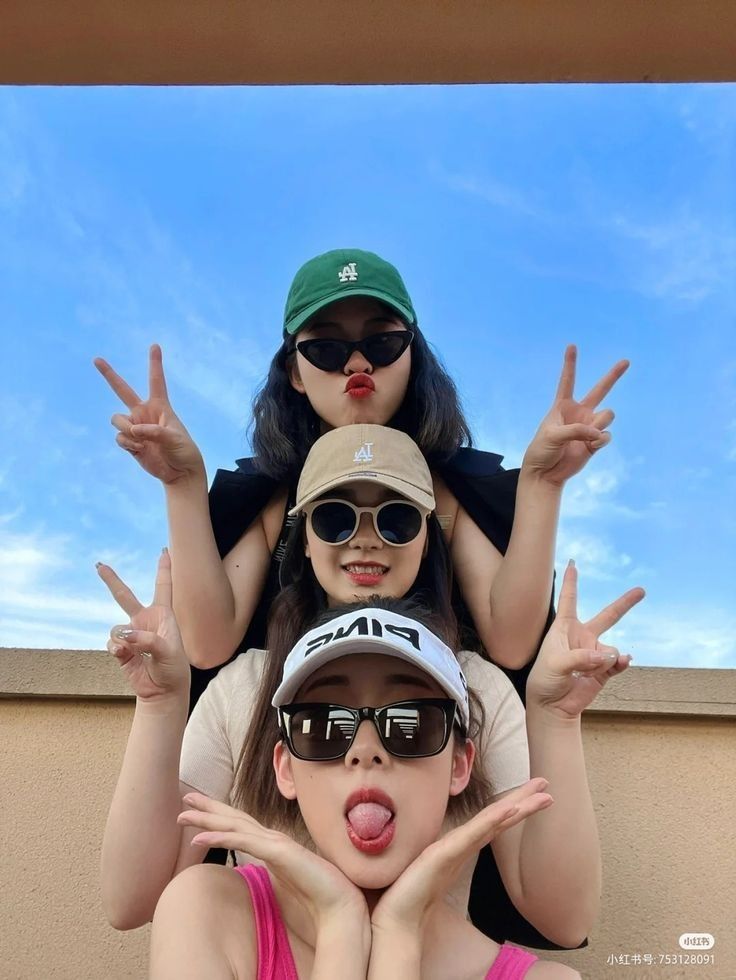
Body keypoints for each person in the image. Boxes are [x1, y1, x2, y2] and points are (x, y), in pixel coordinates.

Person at [98, 425, 644, 949]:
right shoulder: (243, 686)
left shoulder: (477, 685)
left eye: (397, 520)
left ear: (427, 539)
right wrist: (159, 703)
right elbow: (132, 901)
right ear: (303, 540)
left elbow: (563, 918)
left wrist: (557, 717)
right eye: (334, 519)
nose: (364, 540)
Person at [94, 248, 629, 706]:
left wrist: (543, 484)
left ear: (412, 359)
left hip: (428, 748)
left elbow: (513, 644)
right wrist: (181, 483)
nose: (356, 364)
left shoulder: (459, 489)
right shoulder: (265, 493)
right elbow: (208, 646)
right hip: (291, 752)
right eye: (325, 348)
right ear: (294, 374)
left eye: (381, 344)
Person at [148, 600, 581, 979]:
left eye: (411, 723)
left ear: (459, 764)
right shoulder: (206, 914)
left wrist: (398, 933)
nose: (365, 749)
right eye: (325, 726)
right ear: (286, 769)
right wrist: (340, 923)